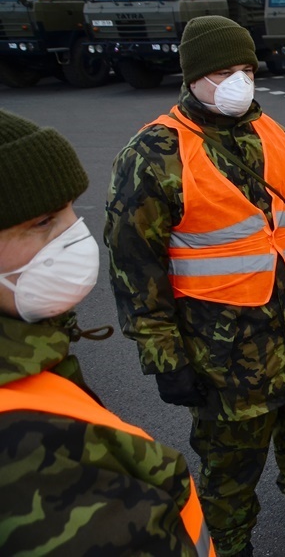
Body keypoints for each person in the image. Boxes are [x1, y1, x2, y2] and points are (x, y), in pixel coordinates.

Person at [105, 16, 285, 557]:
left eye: (247, 69)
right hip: (222, 346)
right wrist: (165, 359)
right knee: (230, 457)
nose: (239, 83)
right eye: (224, 71)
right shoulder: (154, 154)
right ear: (194, 75)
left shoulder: (273, 133)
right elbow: (136, 270)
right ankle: (230, 543)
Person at [0, 110, 214, 556]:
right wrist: (164, 356)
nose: (76, 235)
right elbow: (140, 267)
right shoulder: (26, 448)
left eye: (71, 211)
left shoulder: (30, 361)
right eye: (42, 222)